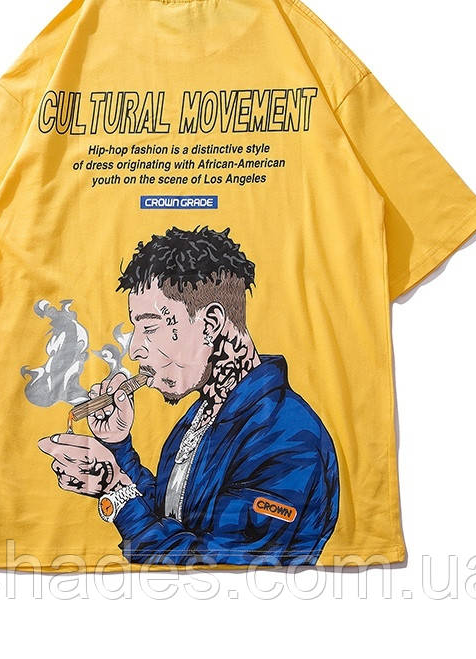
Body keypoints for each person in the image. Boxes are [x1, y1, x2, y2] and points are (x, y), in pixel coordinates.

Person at [38, 225, 339, 566]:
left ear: (210, 324)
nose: (136, 349)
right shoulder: (203, 415)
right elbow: (171, 517)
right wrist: (117, 447)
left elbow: (209, 565)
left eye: (150, 327)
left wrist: (116, 491)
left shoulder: (287, 437)